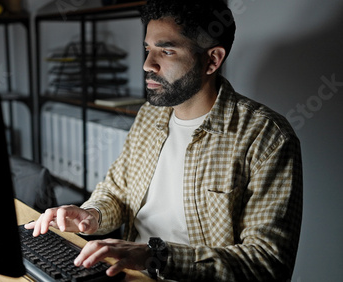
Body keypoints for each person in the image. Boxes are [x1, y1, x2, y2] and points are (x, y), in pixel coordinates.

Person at [26, 0, 303, 281]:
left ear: (212, 60)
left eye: (166, 51)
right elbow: (117, 192)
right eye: (148, 49)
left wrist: (154, 255)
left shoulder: (267, 137)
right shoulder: (150, 115)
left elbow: (268, 264)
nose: (147, 64)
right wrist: (90, 215)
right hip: (131, 274)